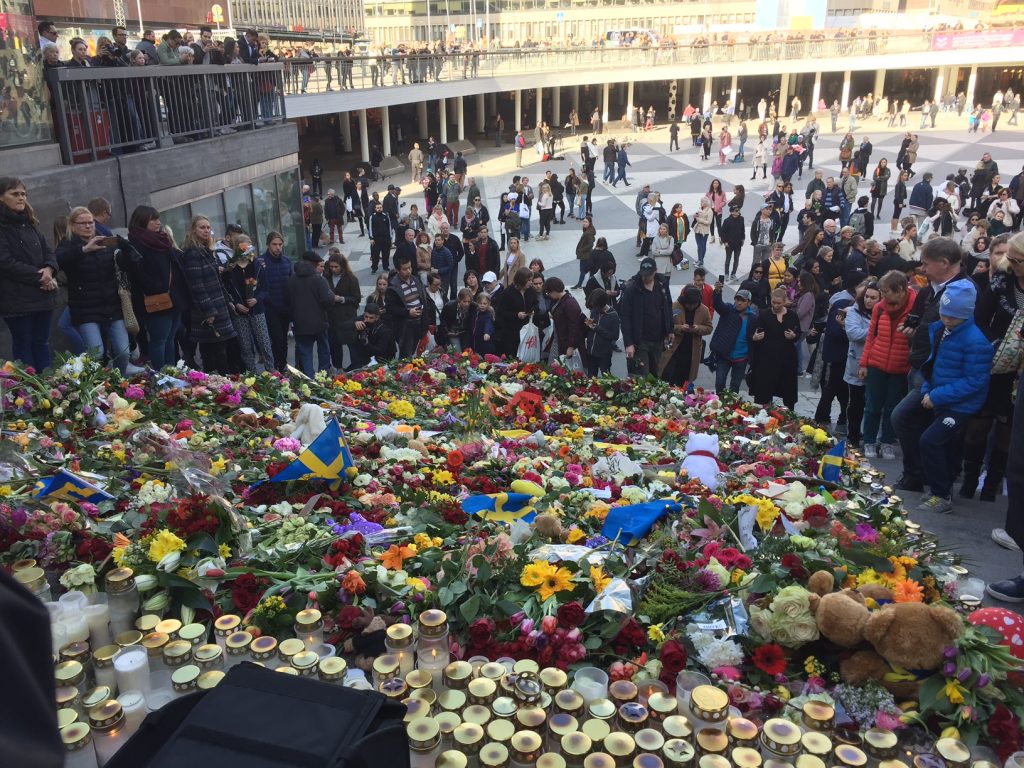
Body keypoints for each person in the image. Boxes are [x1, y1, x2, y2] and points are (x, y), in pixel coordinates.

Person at [891, 280, 992, 515]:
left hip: (961, 405)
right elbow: (934, 366)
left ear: (966, 314)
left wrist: (937, 395)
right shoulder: (940, 330)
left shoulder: (976, 341)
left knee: (931, 440)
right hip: (940, 395)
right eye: (945, 315)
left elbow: (975, 381)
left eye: (953, 317)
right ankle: (935, 486)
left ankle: (941, 494)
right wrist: (928, 389)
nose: (947, 321)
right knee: (940, 444)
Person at [889, 237, 974, 489]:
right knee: (915, 422)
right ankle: (918, 475)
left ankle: (925, 477)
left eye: (926, 264)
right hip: (920, 363)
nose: (922, 270)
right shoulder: (931, 288)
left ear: (944, 263)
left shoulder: (962, 291)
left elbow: (958, 334)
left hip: (938, 371)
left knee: (902, 417)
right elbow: (919, 318)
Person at [960, 234, 1018, 504]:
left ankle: (991, 486)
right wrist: (997, 343)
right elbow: (980, 319)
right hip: (994, 362)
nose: (1014, 265)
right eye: (1013, 260)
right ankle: (969, 482)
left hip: (1017, 374)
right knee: (978, 426)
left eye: (1019, 261)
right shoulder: (1002, 281)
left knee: (1007, 431)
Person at [55, 206, 130, 374]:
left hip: (112, 305)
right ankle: (97, 387)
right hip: (85, 308)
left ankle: (119, 382)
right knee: (96, 355)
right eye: (83, 223)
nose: (88, 226)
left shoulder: (104, 241)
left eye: (90, 222)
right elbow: (57, 260)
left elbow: (123, 266)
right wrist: (84, 250)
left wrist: (126, 251)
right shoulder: (67, 244)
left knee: (123, 353)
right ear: (73, 225)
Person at [0, 178, 59, 371]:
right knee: (24, 345)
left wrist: (49, 270)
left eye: (23, 194)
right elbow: (5, 262)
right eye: (14, 194)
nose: (21, 198)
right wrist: (40, 276)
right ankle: (29, 394)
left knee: (42, 343)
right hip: (17, 299)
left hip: (42, 295)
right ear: (1, 198)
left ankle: (48, 391)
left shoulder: (29, 222)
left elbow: (48, 250)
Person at [859, 269, 915, 460]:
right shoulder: (879, 308)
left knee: (893, 407)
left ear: (900, 290)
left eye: (886, 292)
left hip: (901, 365)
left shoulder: (915, 307)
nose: (882, 296)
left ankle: (887, 442)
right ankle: (869, 440)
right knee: (873, 405)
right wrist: (864, 363)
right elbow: (871, 336)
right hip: (877, 362)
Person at [126, 205, 188, 372]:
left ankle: (171, 373)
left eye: (158, 218)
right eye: (153, 219)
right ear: (142, 221)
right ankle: (161, 375)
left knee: (170, 338)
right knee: (159, 340)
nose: (158, 222)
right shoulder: (135, 244)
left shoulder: (161, 239)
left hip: (175, 297)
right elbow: (138, 274)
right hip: (156, 300)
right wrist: (157, 287)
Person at [181, 216, 238, 373]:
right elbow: (196, 285)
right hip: (208, 310)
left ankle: (220, 384)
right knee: (213, 352)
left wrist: (228, 300)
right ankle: (217, 385)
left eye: (208, 227)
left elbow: (218, 282)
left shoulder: (207, 251)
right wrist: (209, 311)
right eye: (202, 227)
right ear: (194, 230)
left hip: (219, 305)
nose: (206, 230)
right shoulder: (193, 253)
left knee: (220, 349)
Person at [619, 257, 673, 378]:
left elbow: (668, 305)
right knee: (640, 376)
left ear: (655, 271)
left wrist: (670, 329)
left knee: (655, 374)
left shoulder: (662, 283)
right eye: (643, 275)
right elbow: (625, 317)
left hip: (658, 340)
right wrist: (629, 343)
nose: (646, 278)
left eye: (649, 275)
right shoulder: (631, 289)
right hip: (640, 341)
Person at [749, 287, 801, 410]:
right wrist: (755, 337)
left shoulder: (792, 315)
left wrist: (794, 336)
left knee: (787, 388)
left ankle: (789, 413)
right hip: (767, 358)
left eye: (779, 303)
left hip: (786, 358)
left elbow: (798, 332)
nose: (776, 305)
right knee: (764, 388)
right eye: (773, 302)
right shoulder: (764, 315)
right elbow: (754, 332)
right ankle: (763, 414)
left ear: (784, 302)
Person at [287, 251, 335, 375]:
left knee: (305, 353)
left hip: (300, 324)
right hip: (319, 323)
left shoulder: (292, 279)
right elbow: (327, 301)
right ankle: (322, 378)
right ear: (314, 264)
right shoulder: (319, 280)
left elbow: (288, 301)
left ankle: (309, 380)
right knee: (323, 350)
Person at [659, 285, 712, 387]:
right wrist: (680, 328)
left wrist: (698, 329)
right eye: (688, 304)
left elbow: (709, 328)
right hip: (673, 349)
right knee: (667, 376)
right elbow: (664, 325)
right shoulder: (675, 306)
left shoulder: (704, 310)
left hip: (690, 352)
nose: (690, 307)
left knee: (683, 381)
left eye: (693, 305)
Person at [710, 284, 758, 393]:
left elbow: (753, 336)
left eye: (743, 300)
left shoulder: (753, 318)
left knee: (735, 386)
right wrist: (717, 292)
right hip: (724, 356)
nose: (739, 302)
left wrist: (754, 338)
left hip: (741, 358)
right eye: (737, 299)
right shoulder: (728, 310)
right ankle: (719, 404)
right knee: (719, 383)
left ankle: (731, 408)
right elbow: (718, 305)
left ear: (749, 303)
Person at [257, 231, 294, 372]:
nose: (278, 247)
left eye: (280, 244)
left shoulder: (286, 261)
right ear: (268, 245)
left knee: (283, 341)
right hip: (269, 308)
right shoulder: (261, 262)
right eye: (274, 244)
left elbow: (290, 283)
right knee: (276, 339)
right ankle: (275, 366)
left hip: (285, 307)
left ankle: (282, 365)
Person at [324, 249, 361, 371]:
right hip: (332, 317)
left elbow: (356, 298)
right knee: (335, 345)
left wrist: (342, 299)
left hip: (347, 317)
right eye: (331, 267)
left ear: (342, 266)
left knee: (352, 343)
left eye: (336, 267)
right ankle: (338, 367)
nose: (333, 269)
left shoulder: (351, 279)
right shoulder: (326, 277)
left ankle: (355, 367)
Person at [386, 253, 425, 358]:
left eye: (410, 267)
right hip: (405, 325)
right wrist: (408, 312)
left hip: (419, 321)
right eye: (405, 269)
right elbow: (390, 308)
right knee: (406, 354)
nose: (408, 271)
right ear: (398, 270)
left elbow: (423, 298)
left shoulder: (416, 279)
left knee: (414, 350)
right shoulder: (393, 286)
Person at [493, 267, 537, 358]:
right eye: (528, 280)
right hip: (511, 333)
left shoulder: (531, 291)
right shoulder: (508, 293)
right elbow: (501, 313)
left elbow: (535, 304)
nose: (531, 282)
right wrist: (516, 315)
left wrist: (532, 310)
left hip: (527, 330)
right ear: (521, 280)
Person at [544, 276, 586, 367]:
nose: (549, 295)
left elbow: (574, 327)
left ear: (554, 291)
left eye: (548, 292)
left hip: (565, 342)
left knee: (559, 368)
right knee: (553, 367)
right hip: (558, 339)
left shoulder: (569, 303)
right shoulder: (561, 300)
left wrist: (570, 346)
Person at [584, 288, 620, 376]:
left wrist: (597, 328)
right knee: (591, 377)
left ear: (601, 304)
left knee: (606, 377)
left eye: (595, 307)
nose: (594, 309)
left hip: (604, 354)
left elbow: (615, 336)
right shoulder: (594, 311)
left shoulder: (613, 315)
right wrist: (588, 325)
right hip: (591, 352)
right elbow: (591, 329)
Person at [351, 302, 395, 367]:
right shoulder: (362, 319)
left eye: (371, 318)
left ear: (377, 318)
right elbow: (343, 325)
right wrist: (354, 323)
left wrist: (367, 344)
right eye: (366, 316)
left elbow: (380, 350)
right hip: (367, 354)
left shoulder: (384, 330)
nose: (367, 320)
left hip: (383, 358)